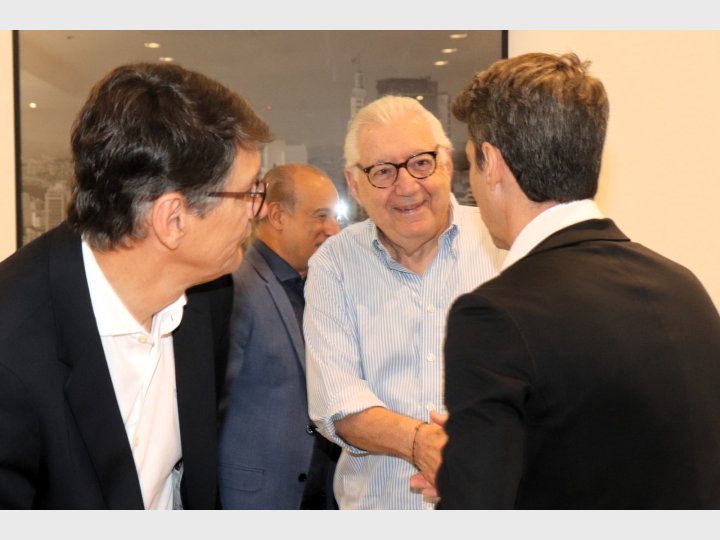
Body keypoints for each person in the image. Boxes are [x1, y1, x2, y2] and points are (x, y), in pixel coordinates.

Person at [430, 52, 720, 509]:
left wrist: (464, 472)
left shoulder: (494, 316)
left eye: (470, 165)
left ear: (493, 164)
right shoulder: (686, 288)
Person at [0, 62, 272, 509]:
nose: (257, 210)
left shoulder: (207, 296)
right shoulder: (11, 352)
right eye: (248, 193)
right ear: (173, 219)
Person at [304, 95, 505, 509]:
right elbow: (336, 401)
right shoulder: (334, 264)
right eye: (383, 171)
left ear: (446, 163)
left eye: (421, 163)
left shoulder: (503, 244)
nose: (408, 186)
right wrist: (420, 443)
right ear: (354, 184)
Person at [218, 163, 342, 509]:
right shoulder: (237, 287)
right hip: (256, 501)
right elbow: (210, 407)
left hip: (323, 496)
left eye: (335, 217)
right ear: (277, 216)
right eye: (321, 216)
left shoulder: (319, 286)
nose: (334, 229)